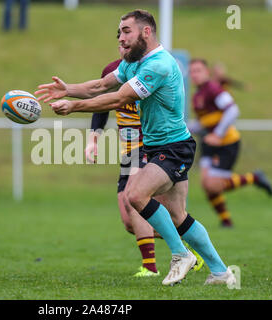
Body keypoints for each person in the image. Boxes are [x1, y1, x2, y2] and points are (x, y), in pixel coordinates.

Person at [35, 9, 235, 286]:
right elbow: (101, 86)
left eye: (126, 31)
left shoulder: (159, 65)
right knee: (178, 215)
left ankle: (180, 255)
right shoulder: (133, 63)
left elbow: (118, 99)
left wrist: (73, 107)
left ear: (146, 32)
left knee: (135, 194)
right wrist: (68, 89)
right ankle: (221, 271)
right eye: (118, 33)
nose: (120, 38)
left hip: (174, 147)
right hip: (159, 146)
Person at [86, 44, 204, 278]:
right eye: (120, 40)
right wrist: (93, 140)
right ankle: (191, 248)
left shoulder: (149, 71)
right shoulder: (112, 72)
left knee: (135, 203)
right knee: (130, 222)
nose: (123, 44)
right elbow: (102, 106)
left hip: (148, 146)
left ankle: (150, 267)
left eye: (127, 38)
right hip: (128, 151)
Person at [188, 58, 272, 227]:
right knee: (206, 184)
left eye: (198, 70)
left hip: (226, 143)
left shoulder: (213, 89)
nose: (194, 74)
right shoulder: (197, 95)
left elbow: (233, 110)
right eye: (191, 71)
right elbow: (205, 122)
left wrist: (218, 134)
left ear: (207, 72)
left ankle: (254, 177)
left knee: (213, 185)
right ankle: (226, 221)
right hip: (209, 144)